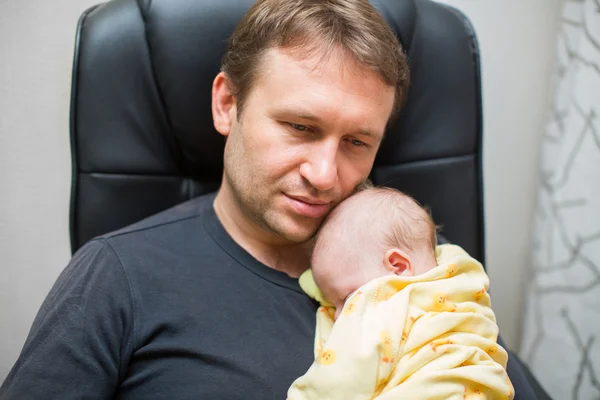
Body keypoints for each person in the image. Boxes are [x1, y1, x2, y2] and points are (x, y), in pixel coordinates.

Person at [0, 0, 541, 398]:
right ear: (227, 104)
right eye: (301, 127)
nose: (326, 175)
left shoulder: (421, 270)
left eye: (357, 142)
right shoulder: (116, 276)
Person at [288, 187, 514, 399]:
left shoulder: (384, 307)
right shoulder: (459, 278)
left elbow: (342, 378)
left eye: (346, 299)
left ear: (398, 266)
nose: (338, 315)